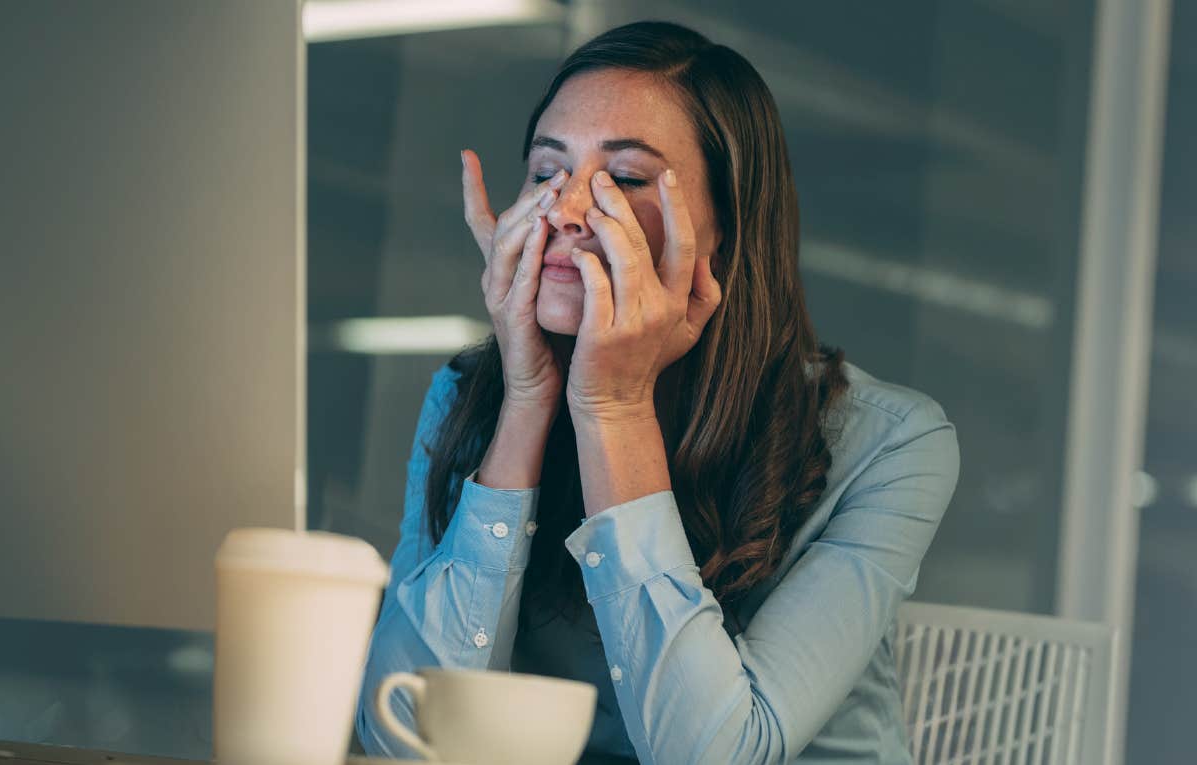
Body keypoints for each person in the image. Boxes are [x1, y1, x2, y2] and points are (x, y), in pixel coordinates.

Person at [356, 20, 959, 764]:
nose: (565, 210)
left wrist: (614, 409)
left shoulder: (892, 443)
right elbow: (399, 739)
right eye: (546, 173)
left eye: (626, 180)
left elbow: (712, 753)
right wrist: (527, 398)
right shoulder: (465, 400)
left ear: (725, 232)